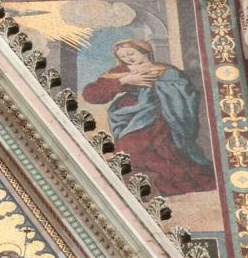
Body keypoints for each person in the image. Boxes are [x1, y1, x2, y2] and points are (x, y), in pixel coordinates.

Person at [81, 40, 216, 196]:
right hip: (128, 117)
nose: (128, 58)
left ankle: (165, 186)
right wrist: (124, 81)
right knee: (129, 149)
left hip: (161, 115)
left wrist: (158, 87)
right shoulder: (120, 71)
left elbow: (186, 92)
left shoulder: (166, 70)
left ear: (145, 51)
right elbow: (90, 94)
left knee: (161, 150)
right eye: (122, 56)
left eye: (131, 53)